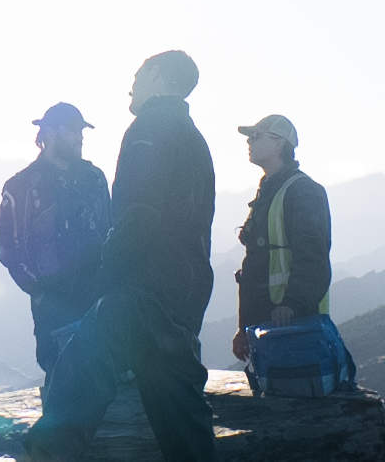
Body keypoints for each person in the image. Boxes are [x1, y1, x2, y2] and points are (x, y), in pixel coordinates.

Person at [26, 50, 220, 462]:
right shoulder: (191, 135)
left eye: (139, 73)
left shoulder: (148, 128)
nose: (131, 83)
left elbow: (138, 216)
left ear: (158, 76)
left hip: (140, 292)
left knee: (77, 374)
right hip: (181, 292)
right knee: (180, 414)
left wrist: (106, 280)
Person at [228, 114, 349, 384]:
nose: (249, 141)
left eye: (256, 135)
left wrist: (292, 303)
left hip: (293, 325)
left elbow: (313, 256)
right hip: (268, 324)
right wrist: (243, 328)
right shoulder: (269, 189)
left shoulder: (303, 191)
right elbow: (255, 264)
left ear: (280, 143)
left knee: (294, 397)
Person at [0, 102, 111, 372]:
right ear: (49, 134)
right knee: (60, 373)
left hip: (98, 298)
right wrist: (40, 290)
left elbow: (110, 229)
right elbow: (5, 247)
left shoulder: (95, 179)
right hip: (53, 304)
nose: (80, 137)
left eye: (81, 131)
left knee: (101, 375)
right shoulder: (21, 186)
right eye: (72, 130)